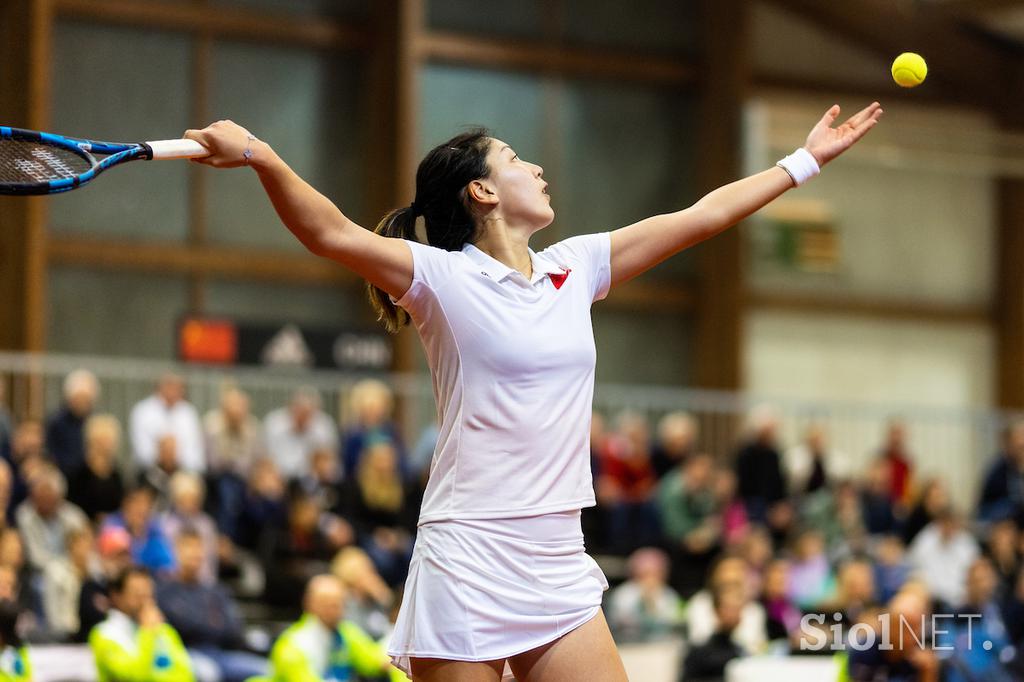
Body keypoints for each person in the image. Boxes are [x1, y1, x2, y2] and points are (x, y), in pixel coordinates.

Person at [185, 97, 881, 681]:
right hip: (467, 554)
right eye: (517, 160)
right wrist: (259, 153)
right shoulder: (440, 277)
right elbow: (329, 231)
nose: (539, 167)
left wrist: (805, 160)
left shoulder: (576, 268)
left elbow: (700, 218)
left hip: (555, 555)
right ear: (482, 193)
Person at [156, 530, 268, 682]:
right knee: (208, 673)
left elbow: (233, 628)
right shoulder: (164, 591)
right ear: (176, 551)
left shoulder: (215, 591)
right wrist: (210, 623)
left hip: (220, 653)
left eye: (199, 548)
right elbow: (178, 627)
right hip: (185, 653)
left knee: (266, 670)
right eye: (189, 547)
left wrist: (203, 623)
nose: (195, 553)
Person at [266, 574, 392, 681]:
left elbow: (373, 662)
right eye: (326, 603)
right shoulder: (292, 644)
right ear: (309, 603)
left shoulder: (346, 632)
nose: (333, 610)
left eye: (338, 604)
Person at [89, 566, 195, 682]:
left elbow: (186, 674)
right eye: (138, 594)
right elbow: (134, 677)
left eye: (148, 594)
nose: (145, 601)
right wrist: (147, 633)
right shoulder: (104, 634)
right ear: (116, 596)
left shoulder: (164, 630)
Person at [130, 373, 205, 474]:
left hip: (183, 471)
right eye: (169, 386)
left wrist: (177, 462)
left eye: (177, 388)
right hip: (150, 470)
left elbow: (194, 451)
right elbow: (142, 450)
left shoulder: (189, 412)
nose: (173, 391)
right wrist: (164, 458)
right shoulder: (143, 410)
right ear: (159, 388)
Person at [263, 387, 338, 481]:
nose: (303, 418)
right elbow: (267, 456)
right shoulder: (274, 423)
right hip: (279, 477)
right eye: (300, 412)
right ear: (291, 408)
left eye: (308, 413)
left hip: (312, 478)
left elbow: (329, 458)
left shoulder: (324, 426)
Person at [45, 368, 100, 479]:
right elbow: (51, 452)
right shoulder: (56, 422)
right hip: (63, 474)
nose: (82, 403)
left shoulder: (94, 422)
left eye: (86, 399)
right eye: (79, 398)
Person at [68, 414, 125, 521]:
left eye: (109, 441)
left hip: (112, 529)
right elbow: (73, 505)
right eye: (101, 441)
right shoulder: (79, 474)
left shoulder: (116, 474)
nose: (105, 446)